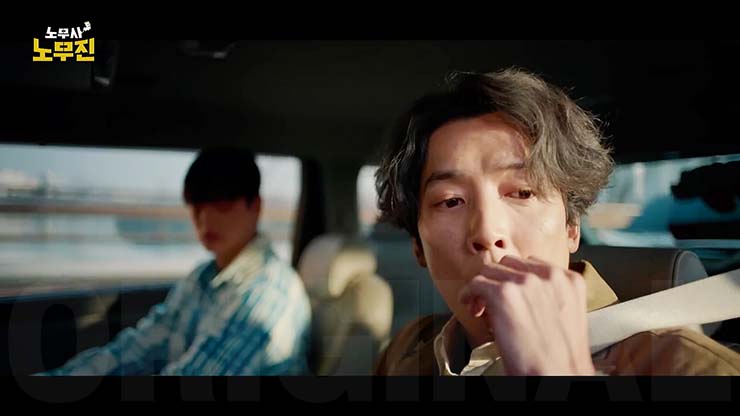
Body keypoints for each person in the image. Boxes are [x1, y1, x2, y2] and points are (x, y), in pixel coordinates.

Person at [373, 68, 740, 375]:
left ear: (571, 226)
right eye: (451, 201)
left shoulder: (687, 367)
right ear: (418, 244)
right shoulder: (407, 353)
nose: (487, 232)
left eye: (522, 193)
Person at [42, 148, 311, 375]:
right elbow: (141, 346)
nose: (205, 219)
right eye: (197, 206)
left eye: (222, 204)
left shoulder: (267, 294)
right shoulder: (202, 278)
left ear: (256, 206)